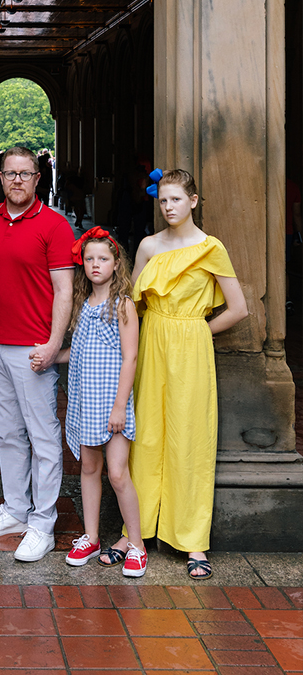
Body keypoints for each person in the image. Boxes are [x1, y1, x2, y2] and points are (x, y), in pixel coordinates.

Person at [117, 168, 249, 581]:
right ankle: (134, 533)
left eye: (176, 199)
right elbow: (129, 304)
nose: (169, 207)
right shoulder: (148, 246)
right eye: (163, 200)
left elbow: (239, 309)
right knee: (148, 434)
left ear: (193, 200)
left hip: (191, 346)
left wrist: (195, 332)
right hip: (152, 341)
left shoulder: (211, 247)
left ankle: (193, 539)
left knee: (190, 435)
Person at [0, 145, 75, 562]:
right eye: (10, 173)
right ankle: (15, 510)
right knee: (10, 434)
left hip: (34, 347)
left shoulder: (54, 225)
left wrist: (54, 343)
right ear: (0, 178)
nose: (17, 180)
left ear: (37, 179)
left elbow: (64, 291)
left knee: (43, 436)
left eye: (25, 173)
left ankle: (43, 522)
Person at [58, 226, 146, 577]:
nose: (95, 264)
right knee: (89, 469)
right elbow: (79, 350)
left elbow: (130, 358)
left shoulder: (122, 305)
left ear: (116, 263)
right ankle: (91, 536)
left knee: (118, 473)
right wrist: (52, 355)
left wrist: (120, 406)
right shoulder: (83, 304)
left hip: (112, 405)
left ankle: (136, 544)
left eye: (103, 258)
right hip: (84, 403)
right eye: (89, 258)